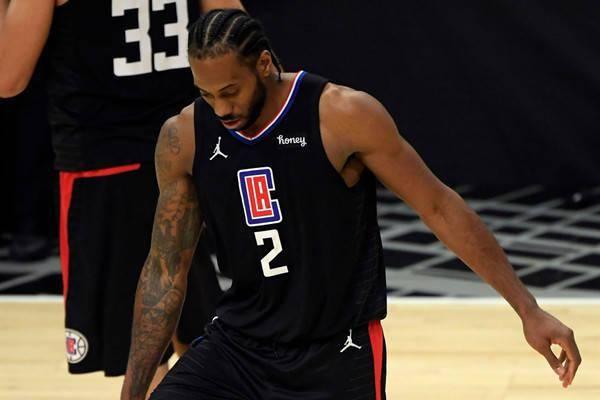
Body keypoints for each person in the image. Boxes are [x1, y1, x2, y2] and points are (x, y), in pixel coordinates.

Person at [118, 9, 582, 400]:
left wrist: (528, 309)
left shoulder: (341, 115)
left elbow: (439, 207)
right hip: (239, 347)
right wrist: (132, 394)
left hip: (336, 353)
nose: (221, 109)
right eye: (206, 94)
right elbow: (164, 271)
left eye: (230, 92)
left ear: (263, 64)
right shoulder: (185, 137)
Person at [0, 0, 243, 392]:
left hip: (107, 160)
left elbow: (7, 76)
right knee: (194, 328)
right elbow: (238, 36)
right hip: (189, 146)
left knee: (146, 349)